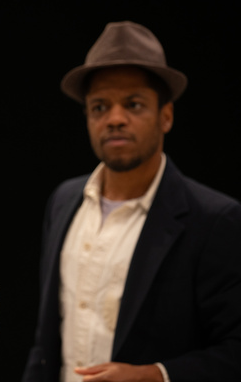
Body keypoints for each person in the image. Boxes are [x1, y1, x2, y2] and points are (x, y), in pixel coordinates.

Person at [22, 21, 241, 382]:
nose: (115, 119)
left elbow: (234, 349)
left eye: (134, 104)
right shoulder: (64, 201)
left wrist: (156, 375)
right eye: (100, 107)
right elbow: (46, 342)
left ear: (166, 115)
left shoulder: (214, 218)